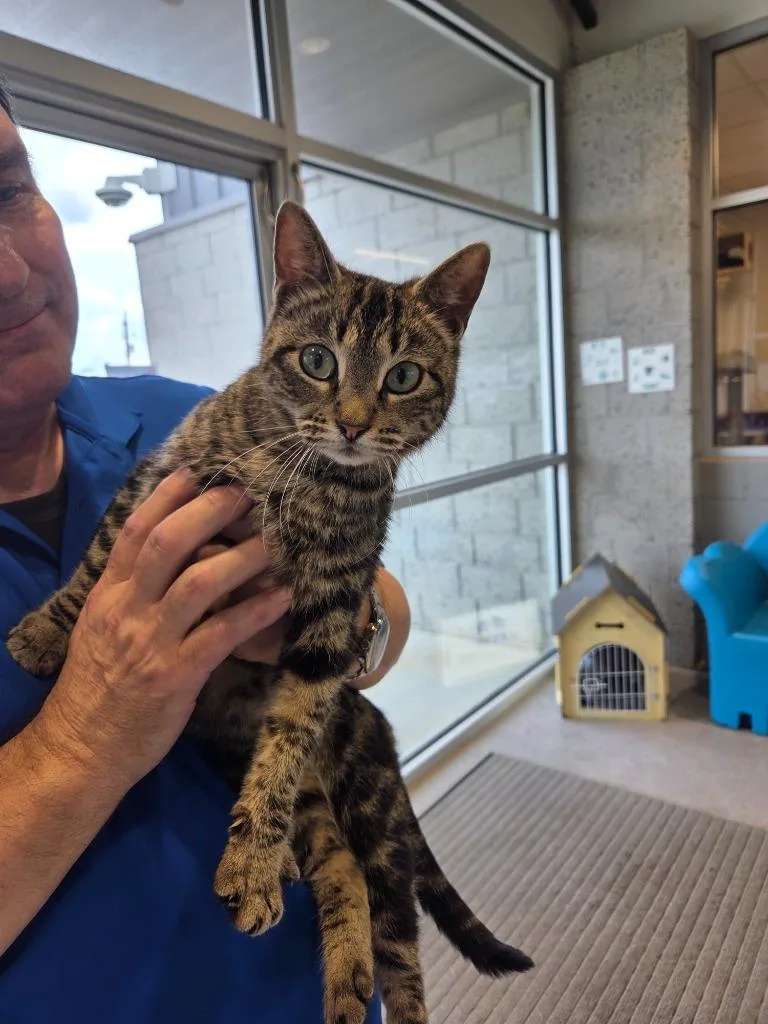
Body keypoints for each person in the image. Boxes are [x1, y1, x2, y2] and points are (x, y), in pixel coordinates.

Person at [0, 83, 411, 1023]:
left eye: (5, 189)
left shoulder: (190, 409)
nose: (11, 275)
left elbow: (381, 610)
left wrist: (353, 628)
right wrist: (88, 728)